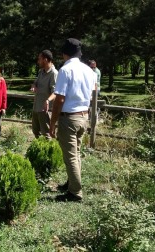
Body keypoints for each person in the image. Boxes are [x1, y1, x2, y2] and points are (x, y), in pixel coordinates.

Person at [49, 38, 95, 202]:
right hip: (83, 116)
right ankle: (72, 183)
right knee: (76, 154)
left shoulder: (65, 70)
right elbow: (92, 92)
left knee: (70, 156)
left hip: (69, 118)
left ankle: (75, 193)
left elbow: (59, 99)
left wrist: (52, 123)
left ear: (64, 53)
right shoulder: (88, 70)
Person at [30, 50, 58, 139]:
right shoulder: (41, 71)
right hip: (36, 107)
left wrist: (48, 100)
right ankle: (38, 151)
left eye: (39, 59)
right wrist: (34, 86)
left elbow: (55, 92)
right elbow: (35, 83)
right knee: (35, 131)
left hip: (45, 109)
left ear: (45, 60)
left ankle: (48, 152)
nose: (38, 61)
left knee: (47, 134)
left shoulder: (54, 73)